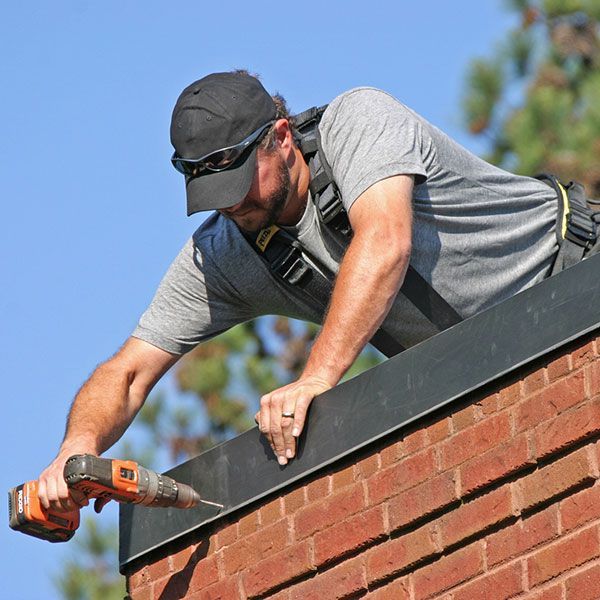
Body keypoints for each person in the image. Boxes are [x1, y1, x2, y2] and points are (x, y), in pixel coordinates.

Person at [38, 69, 567, 512]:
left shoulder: (359, 121)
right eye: (213, 194)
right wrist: (76, 447)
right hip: (504, 373)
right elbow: (127, 372)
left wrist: (315, 379)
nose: (231, 205)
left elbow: (385, 242)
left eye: (242, 180)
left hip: (574, 283)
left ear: (283, 137)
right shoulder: (227, 250)